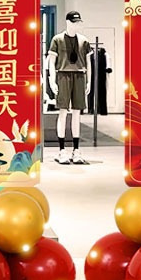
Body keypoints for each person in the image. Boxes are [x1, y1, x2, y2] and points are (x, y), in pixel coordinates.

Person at [47, 11, 91, 165]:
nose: (76, 24)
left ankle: (76, 150)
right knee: (63, 112)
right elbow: (51, 61)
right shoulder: (57, 39)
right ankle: (62, 150)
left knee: (77, 113)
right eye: (73, 22)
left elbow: (88, 63)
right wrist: (52, 80)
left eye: (78, 22)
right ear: (67, 22)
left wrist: (89, 81)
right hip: (62, 75)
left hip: (80, 76)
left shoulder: (84, 41)